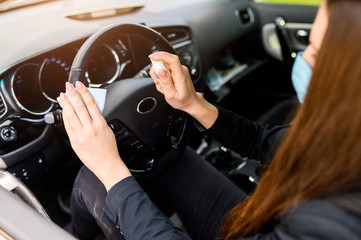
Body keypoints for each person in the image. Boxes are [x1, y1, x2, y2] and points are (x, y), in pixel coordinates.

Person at [60, 0, 361, 239]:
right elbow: (266, 142)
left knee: (94, 178)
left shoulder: (338, 220)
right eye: (308, 42)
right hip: (268, 221)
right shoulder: (346, 138)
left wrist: (111, 169)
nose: (305, 57)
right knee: (167, 159)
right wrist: (194, 104)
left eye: (318, 54)